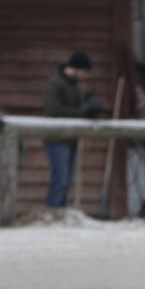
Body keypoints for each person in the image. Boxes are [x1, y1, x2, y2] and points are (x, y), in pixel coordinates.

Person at [42, 52, 98, 209]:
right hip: (56, 138)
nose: (86, 76)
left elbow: (77, 107)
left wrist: (90, 106)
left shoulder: (76, 86)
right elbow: (54, 111)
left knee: (66, 181)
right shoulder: (55, 83)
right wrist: (82, 111)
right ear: (76, 69)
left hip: (70, 138)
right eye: (85, 72)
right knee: (60, 180)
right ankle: (53, 212)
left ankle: (60, 211)